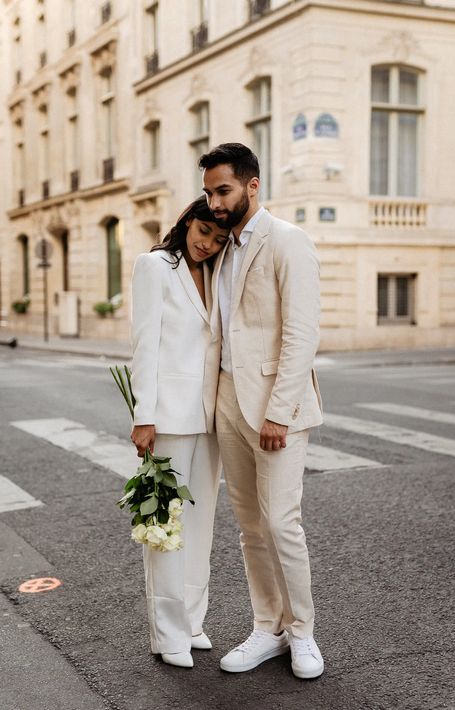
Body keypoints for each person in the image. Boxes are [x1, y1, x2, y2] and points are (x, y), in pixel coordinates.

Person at [199, 143, 324, 680]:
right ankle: (266, 627)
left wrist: (280, 411)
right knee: (250, 527)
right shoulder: (221, 247)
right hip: (227, 397)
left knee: (281, 524)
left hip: (275, 405)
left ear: (252, 185)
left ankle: (303, 634)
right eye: (208, 192)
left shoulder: (288, 241)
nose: (215, 201)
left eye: (223, 189)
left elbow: (302, 334)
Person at [130, 196, 229, 668]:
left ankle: (191, 621)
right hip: (167, 418)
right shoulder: (155, 267)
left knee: (201, 523)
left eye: (218, 238)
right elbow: (144, 345)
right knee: (164, 528)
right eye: (203, 231)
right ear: (188, 220)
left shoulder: (214, 273)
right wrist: (143, 415)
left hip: (210, 419)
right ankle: (167, 635)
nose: (207, 244)